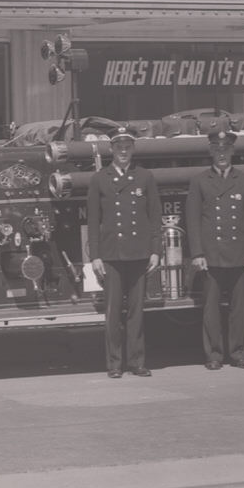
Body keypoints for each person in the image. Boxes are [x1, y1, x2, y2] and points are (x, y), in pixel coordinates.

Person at [87, 127, 162, 378]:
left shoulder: (144, 177)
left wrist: (155, 251)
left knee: (136, 312)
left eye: (127, 147)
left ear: (133, 149)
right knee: (113, 312)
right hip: (112, 256)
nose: (123, 151)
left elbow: (155, 217)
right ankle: (114, 364)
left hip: (139, 254)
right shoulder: (99, 178)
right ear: (111, 149)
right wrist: (95, 256)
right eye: (118, 147)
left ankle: (137, 362)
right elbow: (93, 220)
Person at [184, 126, 244, 370]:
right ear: (210, 151)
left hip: (238, 254)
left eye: (226, 149)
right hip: (212, 255)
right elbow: (193, 220)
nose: (222, 154)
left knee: (239, 308)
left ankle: (238, 353)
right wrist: (197, 253)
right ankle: (214, 355)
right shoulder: (199, 181)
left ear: (233, 151)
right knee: (211, 309)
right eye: (217, 149)